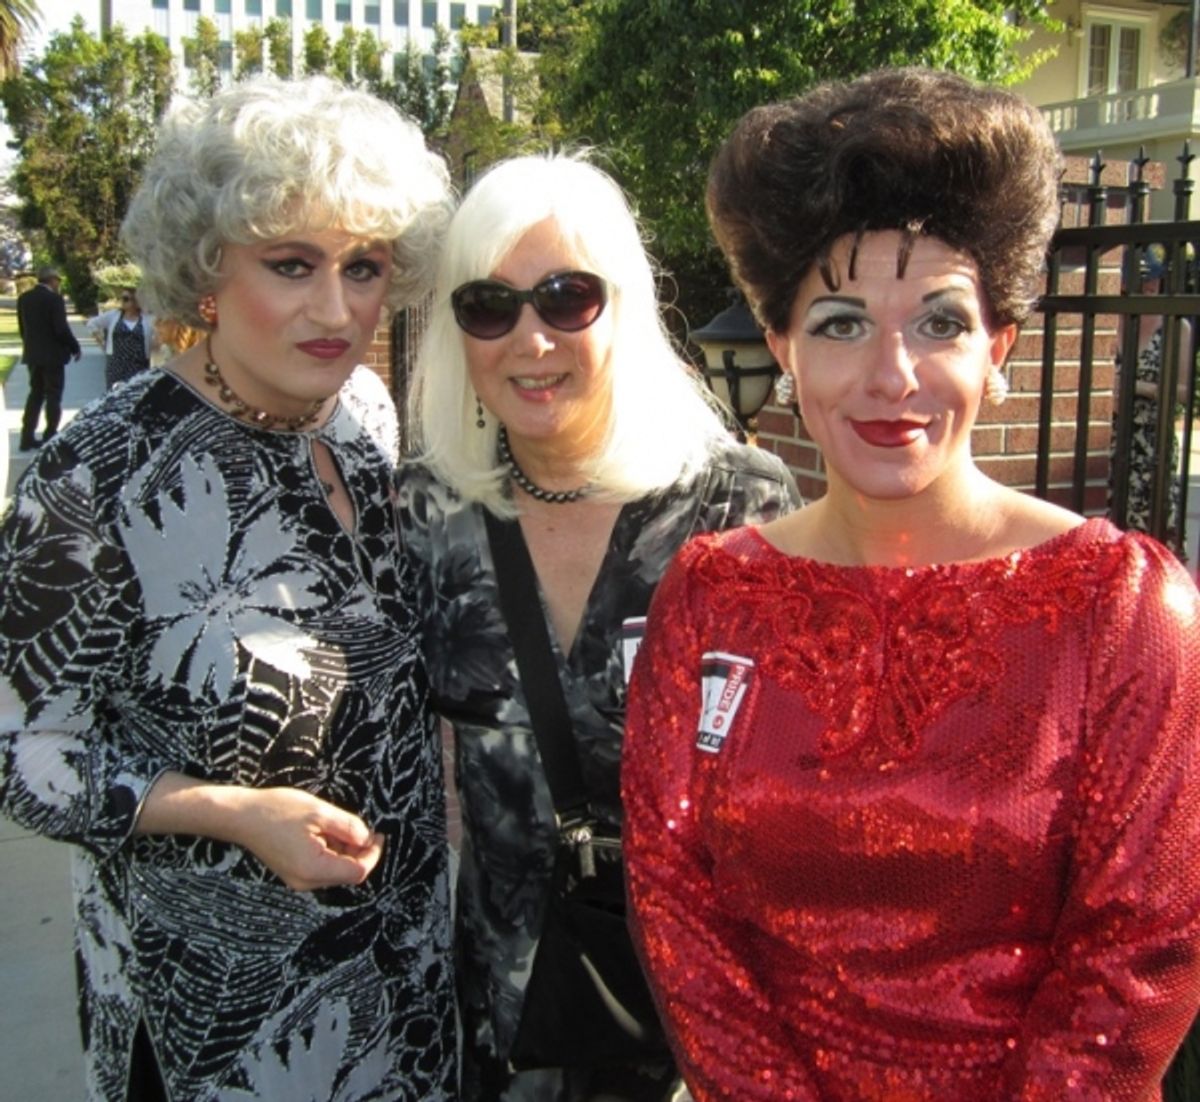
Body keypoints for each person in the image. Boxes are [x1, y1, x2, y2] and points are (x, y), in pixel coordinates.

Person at [623, 67, 1200, 1102]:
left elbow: (1142, 946)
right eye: (842, 324)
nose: (892, 375)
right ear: (781, 351)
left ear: (1001, 352)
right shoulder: (710, 594)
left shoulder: (1121, 609)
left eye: (939, 322)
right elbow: (674, 898)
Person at [0, 75, 456, 1102]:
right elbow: (24, 749)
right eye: (290, 265)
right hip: (222, 1019)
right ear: (207, 269)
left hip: (404, 980)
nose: (335, 308)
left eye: (365, 267)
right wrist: (231, 812)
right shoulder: (96, 478)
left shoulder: (366, 419)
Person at [395, 151, 801, 1101]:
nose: (530, 341)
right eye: (491, 306)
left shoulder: (738, 508)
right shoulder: (427, 513)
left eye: (566, 298)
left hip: (692, 1025)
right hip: (503, 1014)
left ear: (623, 306)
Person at [1107, 244, 1192, 546]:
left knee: (1152, 534)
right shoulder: (1108, 323)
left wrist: (1138, 387)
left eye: (1155, 277)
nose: (1151, 284)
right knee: (1111, 530)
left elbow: (1185, 393)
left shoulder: (1174, 328)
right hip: (1111, 440)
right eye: (1144, 278)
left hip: (1152, 442)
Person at [17, 264, 81, 450]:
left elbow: (23, 327)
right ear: (52, 280)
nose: (59, 283)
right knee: (53, 395)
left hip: (33, 354)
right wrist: (73, 346)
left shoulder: (24, 298)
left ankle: (26, 436)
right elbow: (60, 329)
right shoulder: (54, 300)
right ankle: (50, 434)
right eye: (58, 280)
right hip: (52, 355)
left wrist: (30, 345)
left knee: (35, 394)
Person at [86, 285, 158, 388]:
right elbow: (92, 324)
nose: (123, 302)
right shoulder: (114, 315)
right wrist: (101, 341)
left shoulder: (147, 319)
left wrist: (154, 346)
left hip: (139, 365)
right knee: (114, 397)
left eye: (126, 299)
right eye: (122, 299)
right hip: (116, 365)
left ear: (136, 301)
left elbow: (159, 333)